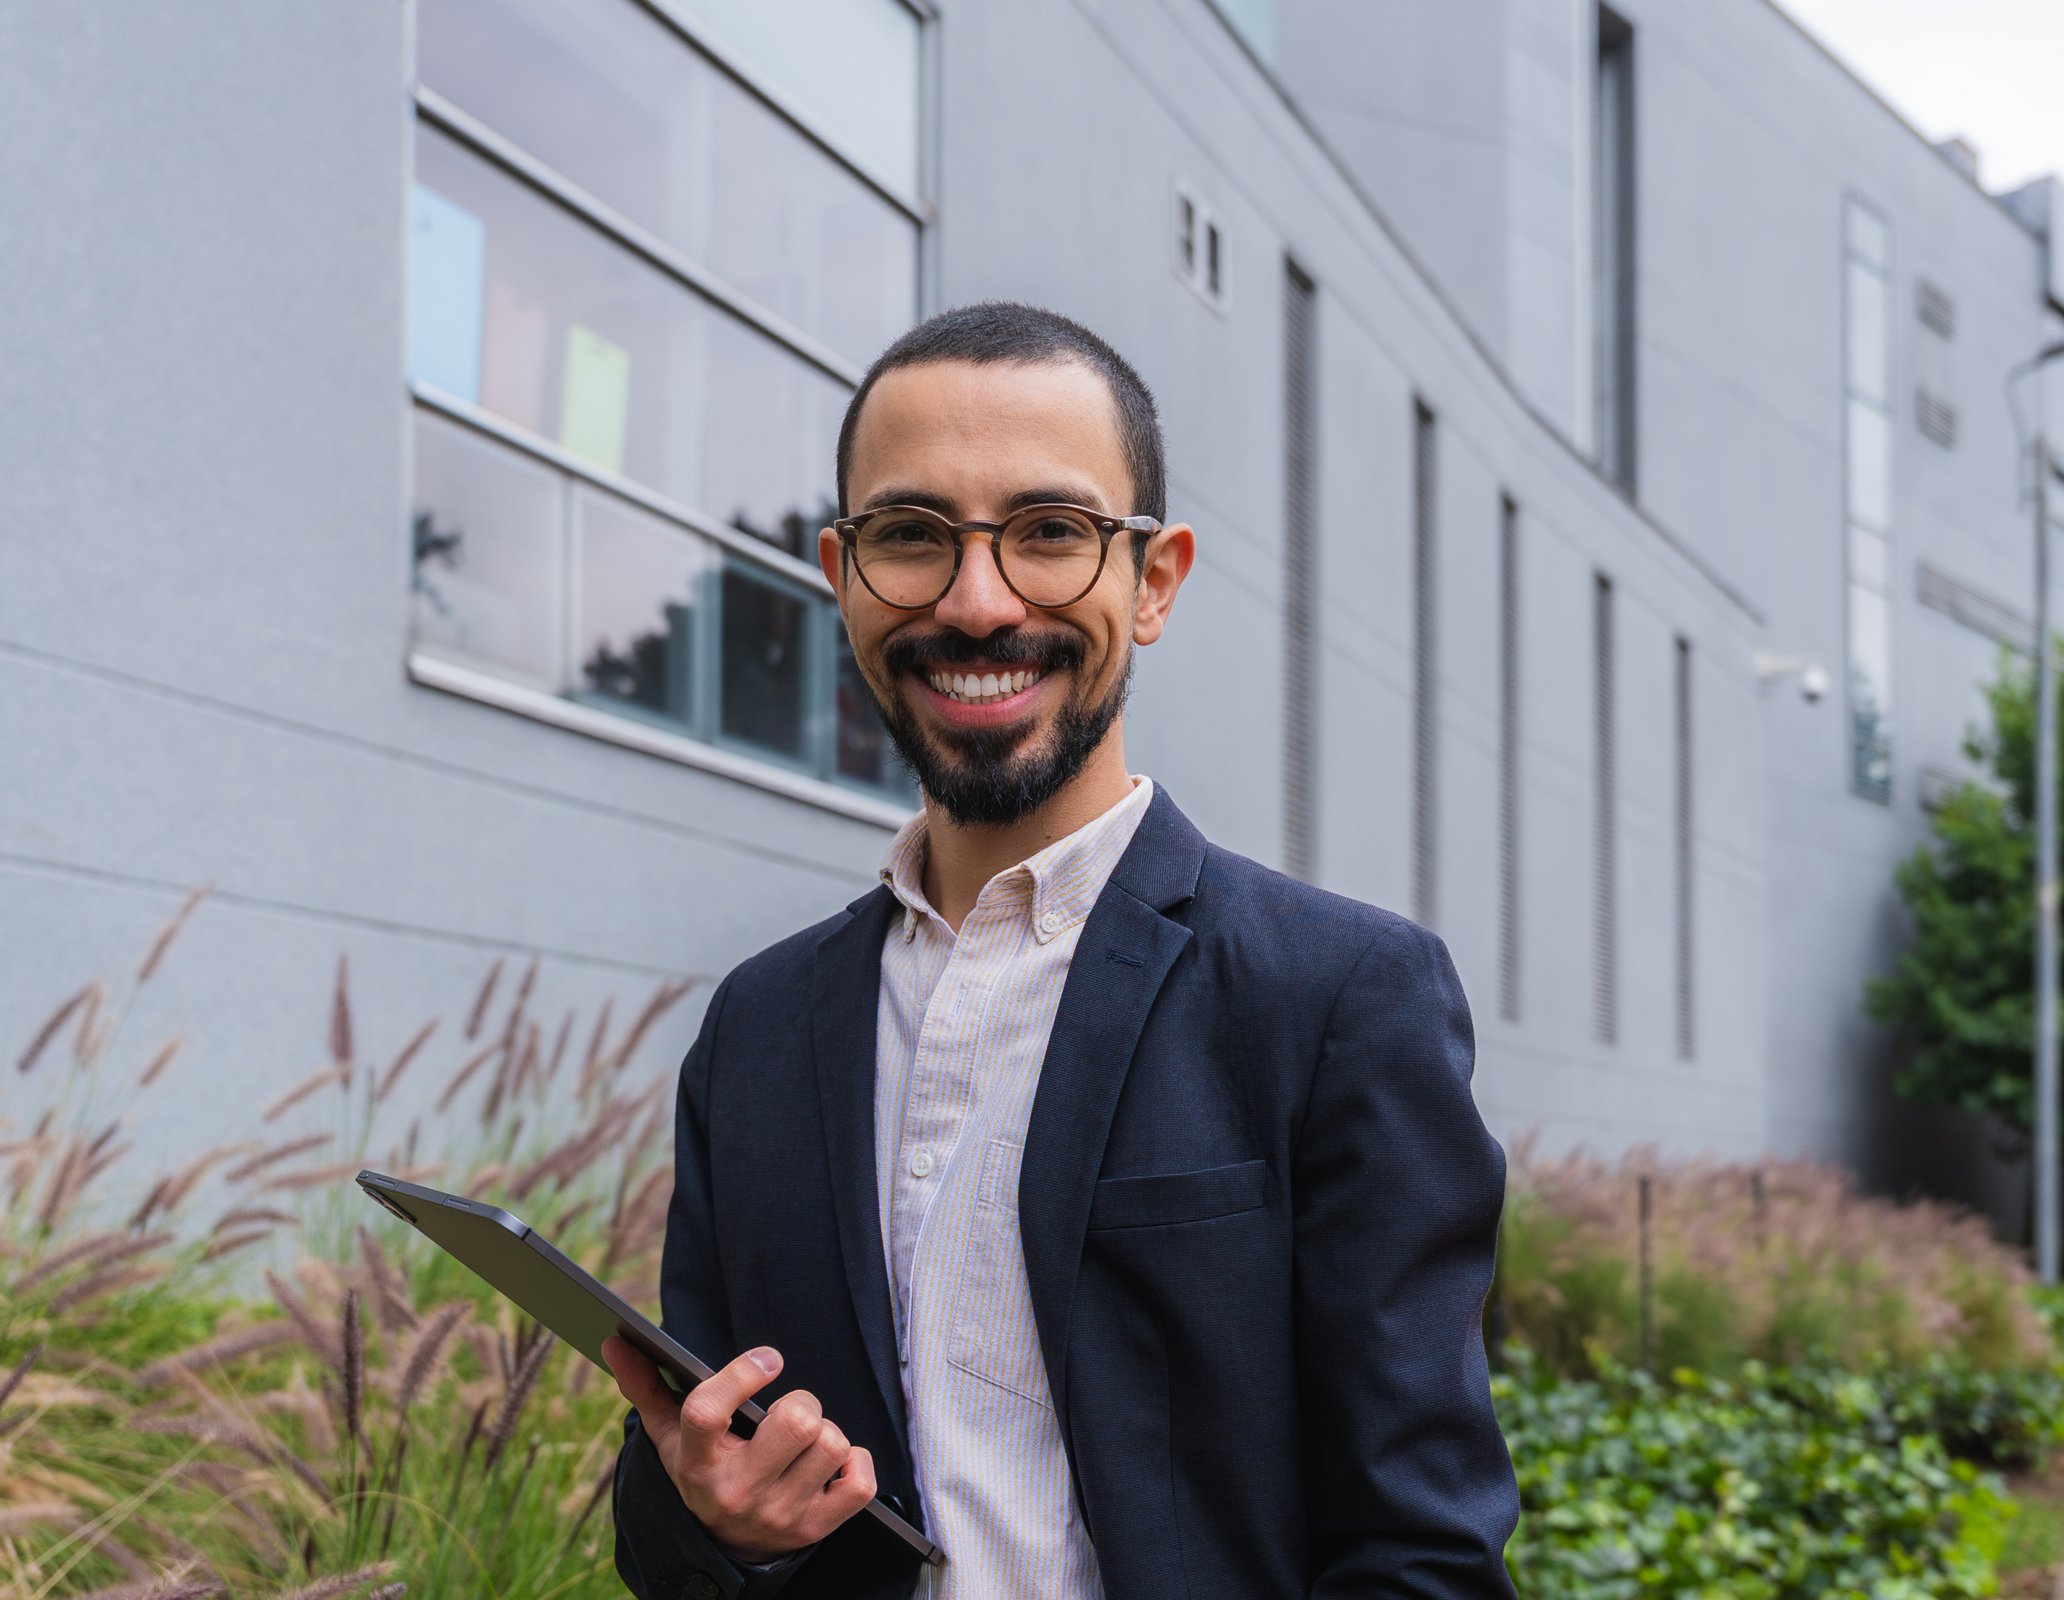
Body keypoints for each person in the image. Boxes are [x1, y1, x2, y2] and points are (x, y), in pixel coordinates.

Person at [604, 302, 1518, 1600]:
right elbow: (665, 1527)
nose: (979, 605)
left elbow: (1422, 1559)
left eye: (1051, 533)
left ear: (1153, 581)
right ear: (842, 577)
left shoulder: (1339, 1002)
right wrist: (720, 1523)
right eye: (912, 538)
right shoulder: (755, 1029)